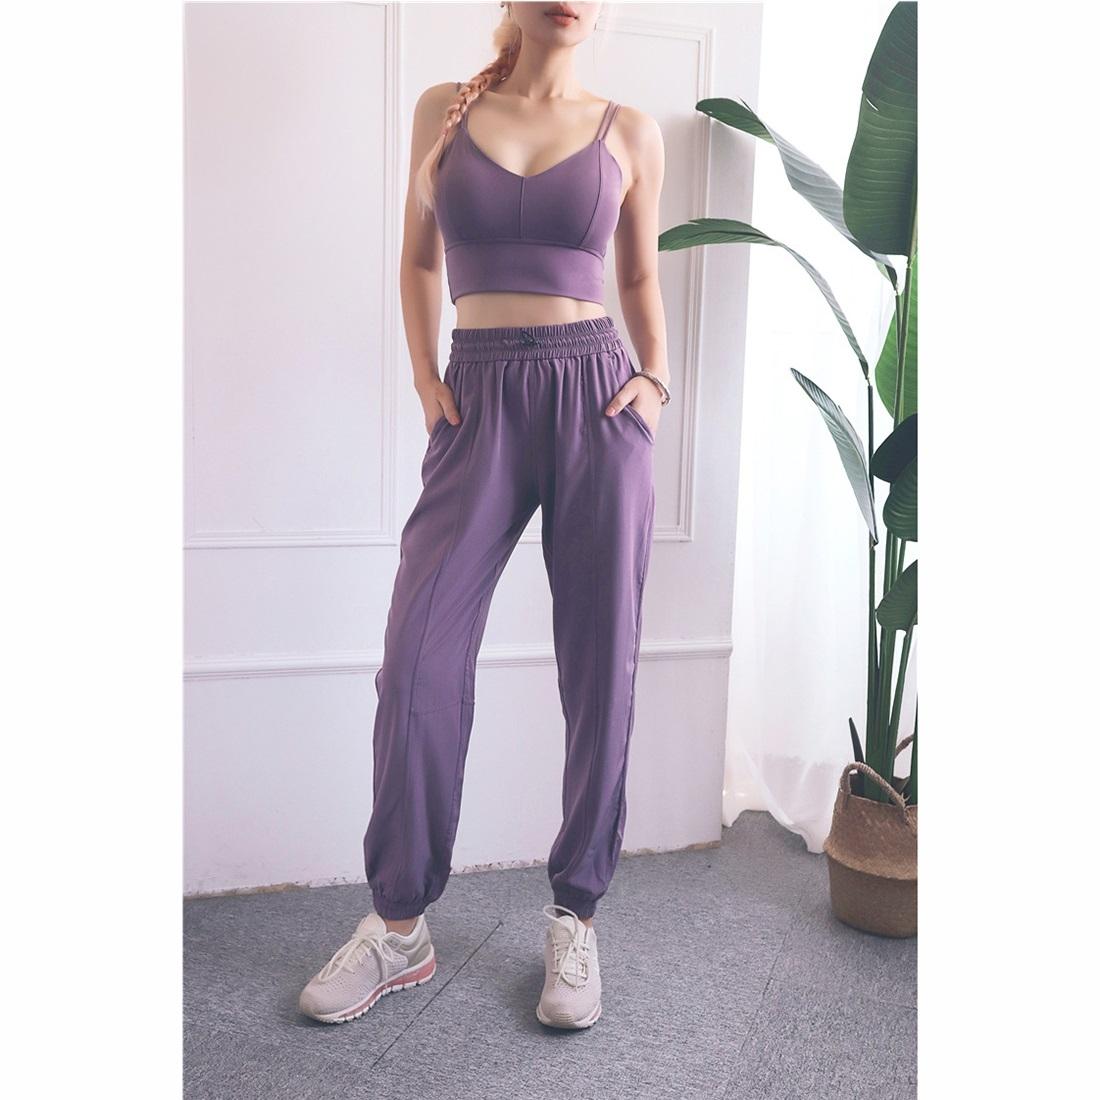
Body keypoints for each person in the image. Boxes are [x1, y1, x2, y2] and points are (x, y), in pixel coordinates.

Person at [299, 0, 669, 1030]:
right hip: (478, 395)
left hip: (596, 395)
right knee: (416, 658)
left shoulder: (630, 130)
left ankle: (576, 914)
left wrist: (655, 379)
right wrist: (427, 379)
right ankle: (399, 924)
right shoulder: (443, 111)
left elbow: (639, 271)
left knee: (600, 664)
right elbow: (421, 260)